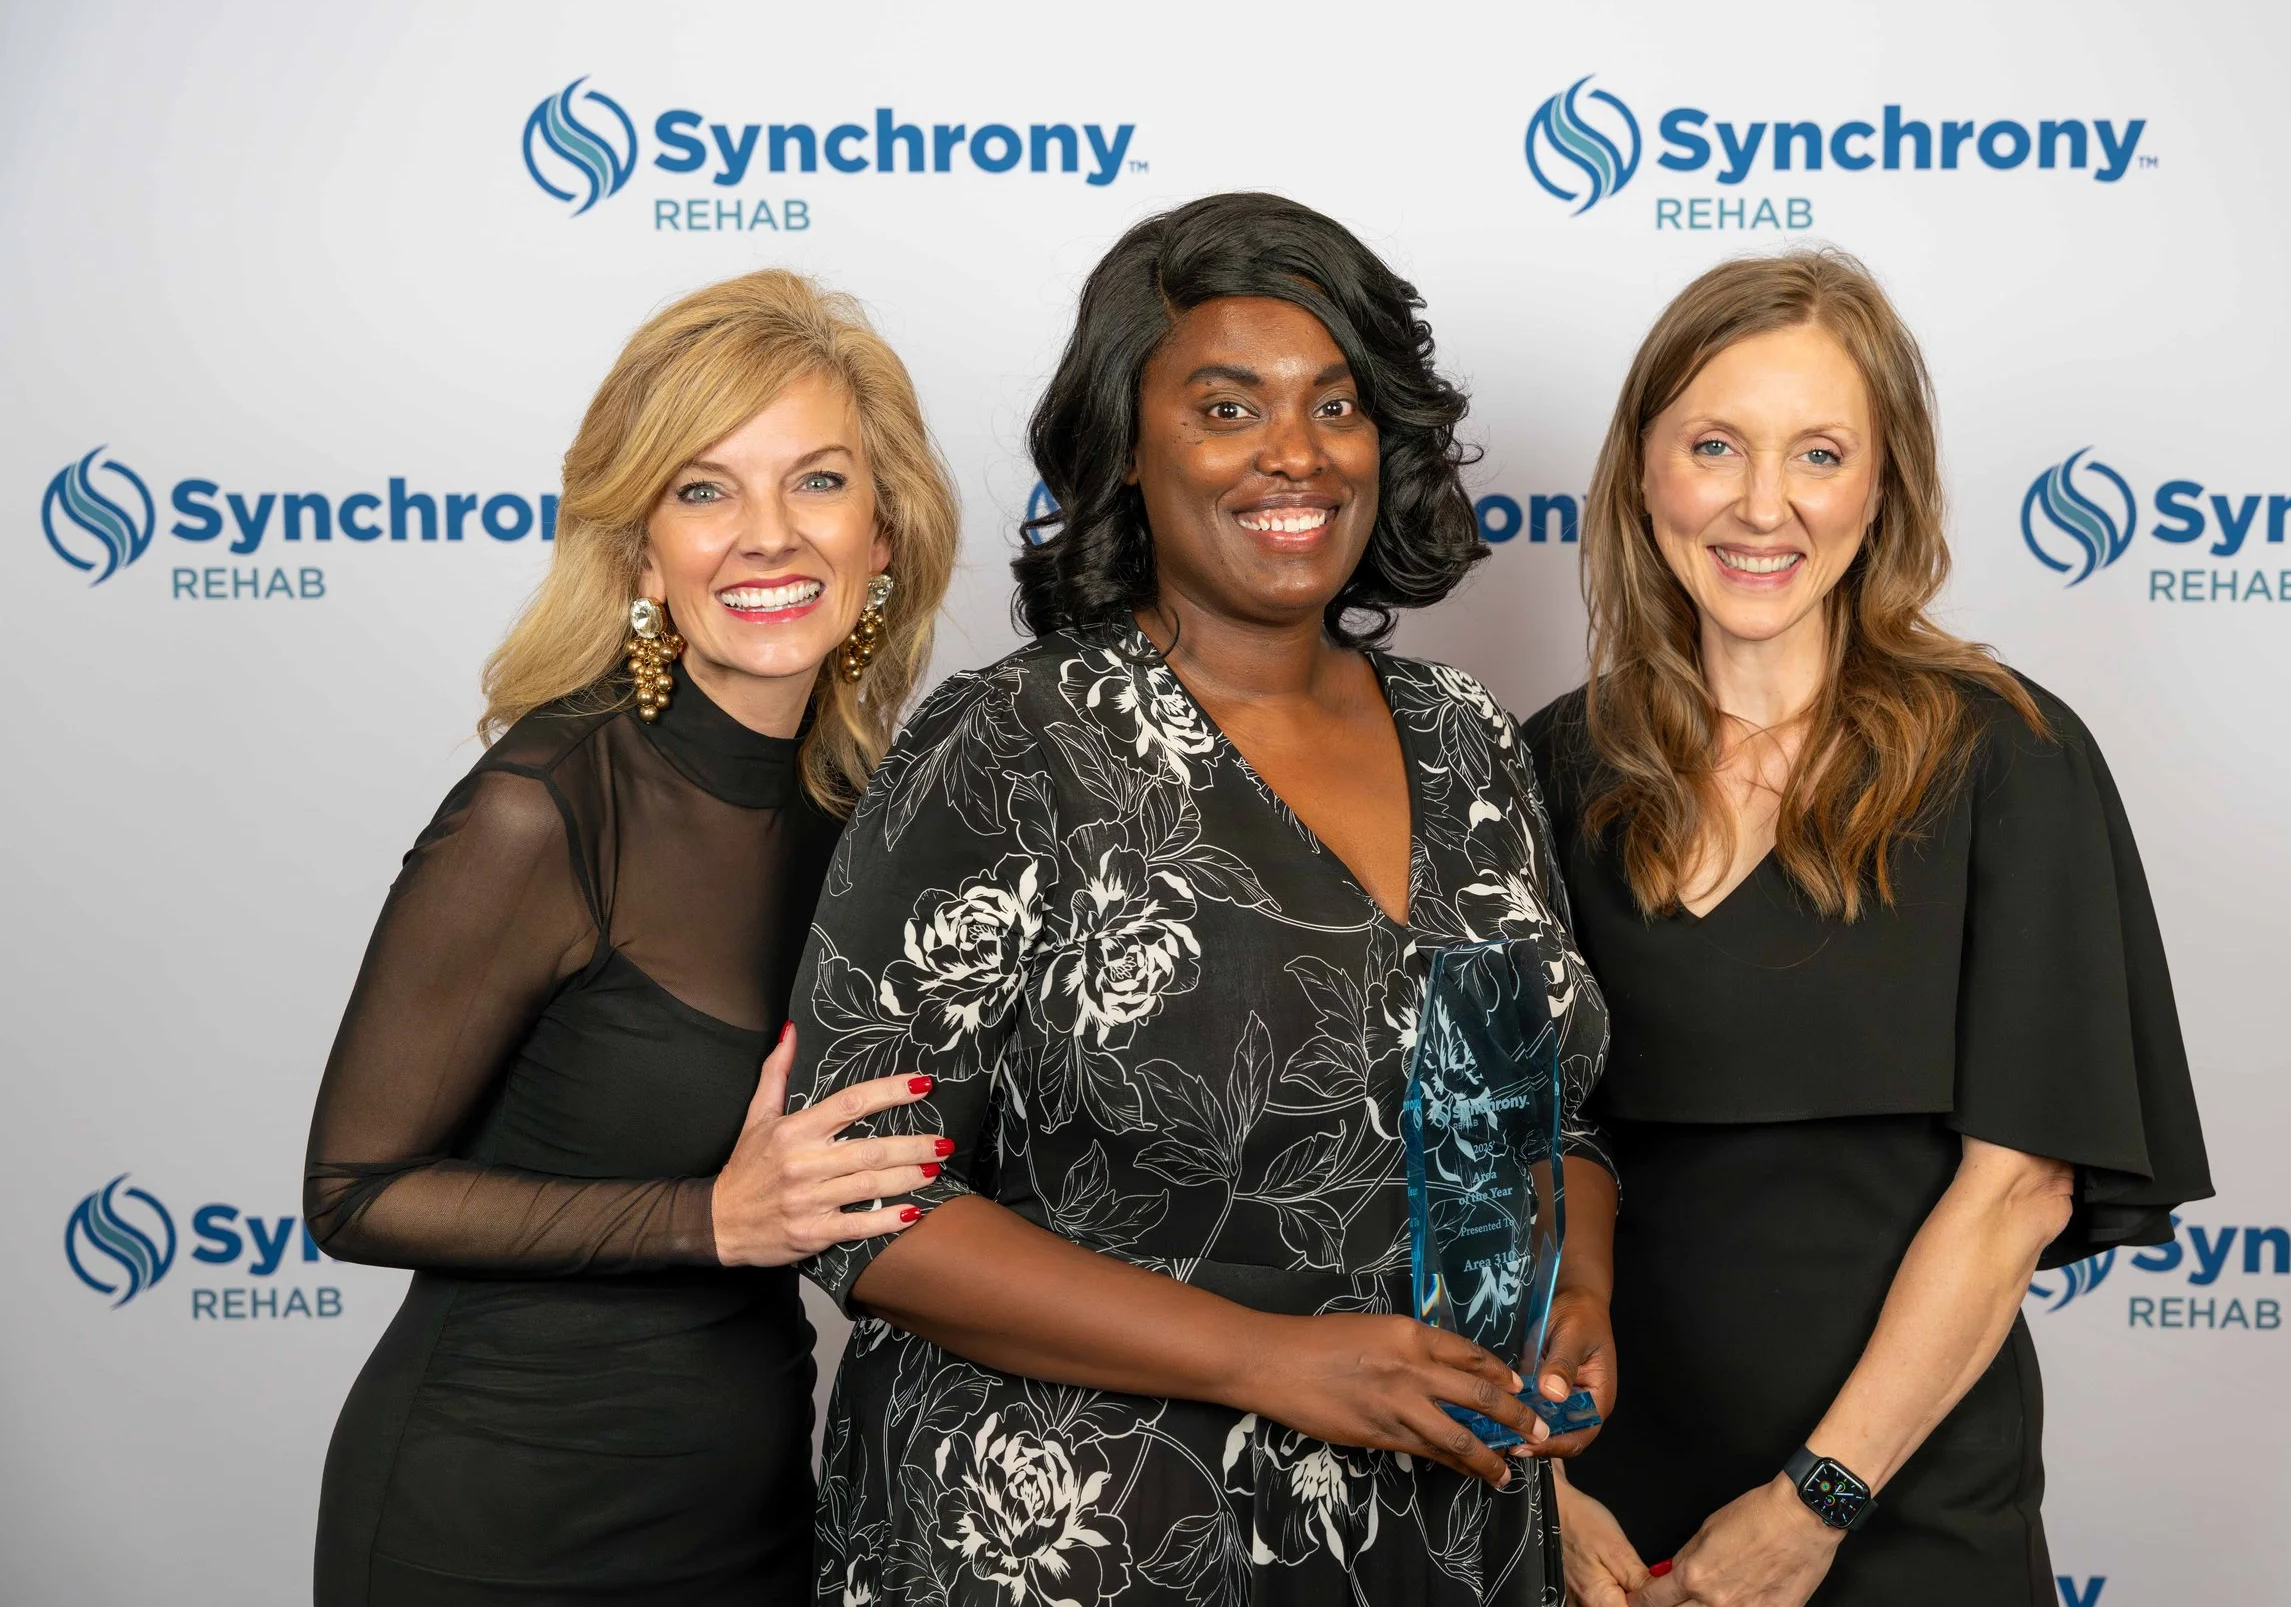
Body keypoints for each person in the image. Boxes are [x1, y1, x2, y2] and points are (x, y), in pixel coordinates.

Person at [788, 192, 1616, 1606]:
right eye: (1227, 408)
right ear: (1123, 452)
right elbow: (865, 1205)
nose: (1294, 452)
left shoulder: (1465, 736)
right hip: (1086, 1541)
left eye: (1334, 404)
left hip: (1427, 1538)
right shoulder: (1013, 745)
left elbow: (1527, 1117)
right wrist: (1272, 1359)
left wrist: (1574, 1288)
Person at [1528, 250, 2211, 1607]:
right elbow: (1506, 1162)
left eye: (1820, 452)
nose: (1761, 504)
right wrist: (1540, 1485)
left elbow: (2020, 1185)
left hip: (1901, 1505)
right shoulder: (1549, 766)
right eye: (1714, 445)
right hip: (1608, 1511)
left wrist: (1813, 1503)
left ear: (1882, 483)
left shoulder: (2008, 759)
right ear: (1643, 470)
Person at [304, 270, 960, 1606]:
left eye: (818, 482)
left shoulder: (865, 811)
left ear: (882, 534)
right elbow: (353, 1190)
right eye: (705, 489)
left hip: (752, 1510)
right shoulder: (544, 810)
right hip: (499, 1523)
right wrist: (709, 1217)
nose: (767, 535)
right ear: (640, 551)